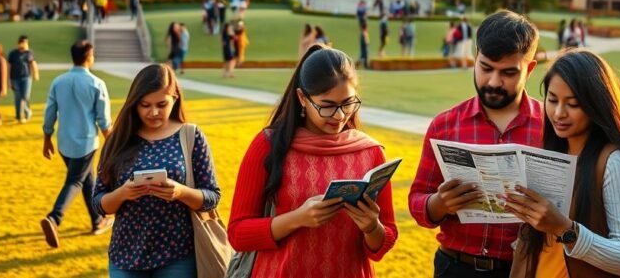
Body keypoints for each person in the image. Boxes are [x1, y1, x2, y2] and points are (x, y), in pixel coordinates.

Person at [228, 45, 399, 277]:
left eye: (348, 103)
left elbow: (382, 244)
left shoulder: (370, 152)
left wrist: (371, 226)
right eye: (327, 106)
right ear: (302, 98)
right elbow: (238, 234)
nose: (339, 116)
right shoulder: (268, 145)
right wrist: (297, 218)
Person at [503, 49, 620, 276]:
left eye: (572, 104)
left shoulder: (614, 162)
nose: (558, 113)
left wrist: (563, 228)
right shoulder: (555, 151)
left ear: (596, 105)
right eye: (552, 100)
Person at [409, 10, 544, 277]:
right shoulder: (444, 125)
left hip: (523, 269)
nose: (494, 82)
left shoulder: (550, 129)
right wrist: (440, 203)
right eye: (485, 68)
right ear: (475, 60)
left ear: (529, 69)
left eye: (508, 72)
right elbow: (417, 200)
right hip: (454, 266)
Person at [94, 64, 221, 277]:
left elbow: (212, 197)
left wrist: (180, 192)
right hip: (125, 255)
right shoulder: (118, 140)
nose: (153, 112)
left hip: (178, 254)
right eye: (145, 105)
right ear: (134, 104)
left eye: (162, 104)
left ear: (175, 99)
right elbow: (99, 204)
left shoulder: (191, 136)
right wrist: (123, 193)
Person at [40, 40, 113, 248]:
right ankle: (54, 218)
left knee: (87, 179)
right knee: (76, 181)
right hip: (86, 143)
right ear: (89, 57)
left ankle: (98, 220)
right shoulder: (96, 84)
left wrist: (47, 138)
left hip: (64, 143)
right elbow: (103, 121)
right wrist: (113, 142)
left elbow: (49, 113)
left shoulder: (58, 82)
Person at [8, 35, 40, 124]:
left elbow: (33, 63)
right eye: (22, 42)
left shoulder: (29, 53)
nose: (24, 44)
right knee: (17, 97)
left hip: (26, 78)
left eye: (26, 43)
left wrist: (36, 74)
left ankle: (27, 112)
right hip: (14, 78)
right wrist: (8, 80)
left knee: (25, 96)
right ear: (19, 43)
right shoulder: (13, 53)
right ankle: (18, 116)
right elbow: (9, 66)